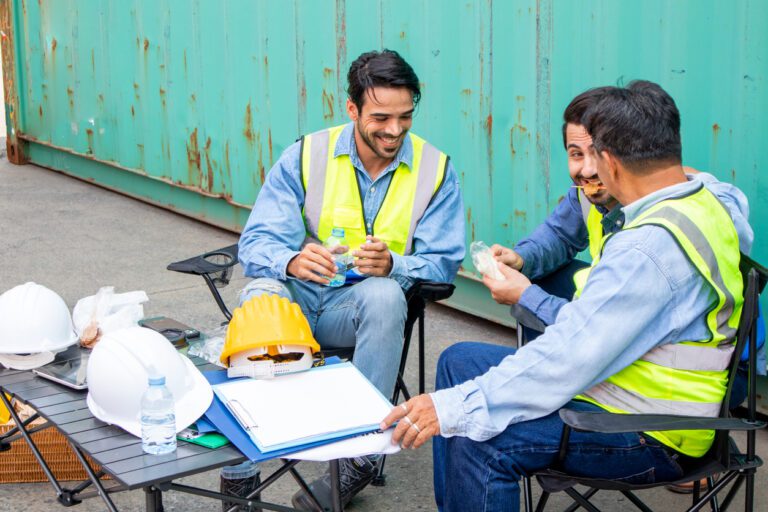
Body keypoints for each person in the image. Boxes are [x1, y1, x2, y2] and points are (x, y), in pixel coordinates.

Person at [381, 80, 745, 512]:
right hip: (628, 383)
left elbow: (568, 356)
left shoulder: (647, 249)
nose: (586, 170)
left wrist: (458, 407)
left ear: (609, 160)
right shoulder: (700, 197)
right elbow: (558, 245)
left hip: (654, 428)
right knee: (459, 361)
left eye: (592, 155)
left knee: (480, 436)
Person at [237, 49, 465, 511]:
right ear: (352, 109)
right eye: (381, 117)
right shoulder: (307, 154)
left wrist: (396, 265)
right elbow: (255, 243)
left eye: (405, 117)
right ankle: (239, 470)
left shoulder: (435, 169)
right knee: (260, 291)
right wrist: (293, 260)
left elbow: (443, 263)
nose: (394, 130)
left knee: (384, 294)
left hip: (358, 311)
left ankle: (360, 455)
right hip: (297, 302)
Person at [492, 87, 763, 416]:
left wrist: (526, 296)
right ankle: (550, 390)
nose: (588, 170)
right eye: (575, 154)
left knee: (510, 321)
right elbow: (559, 235)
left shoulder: (661, 226)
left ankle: (569, 409)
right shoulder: (590, 193)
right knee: (543, 277)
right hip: (634, 331)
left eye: (597, 154)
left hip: (706, 370)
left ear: (618, 156)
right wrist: (522, 259)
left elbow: (596, 332)